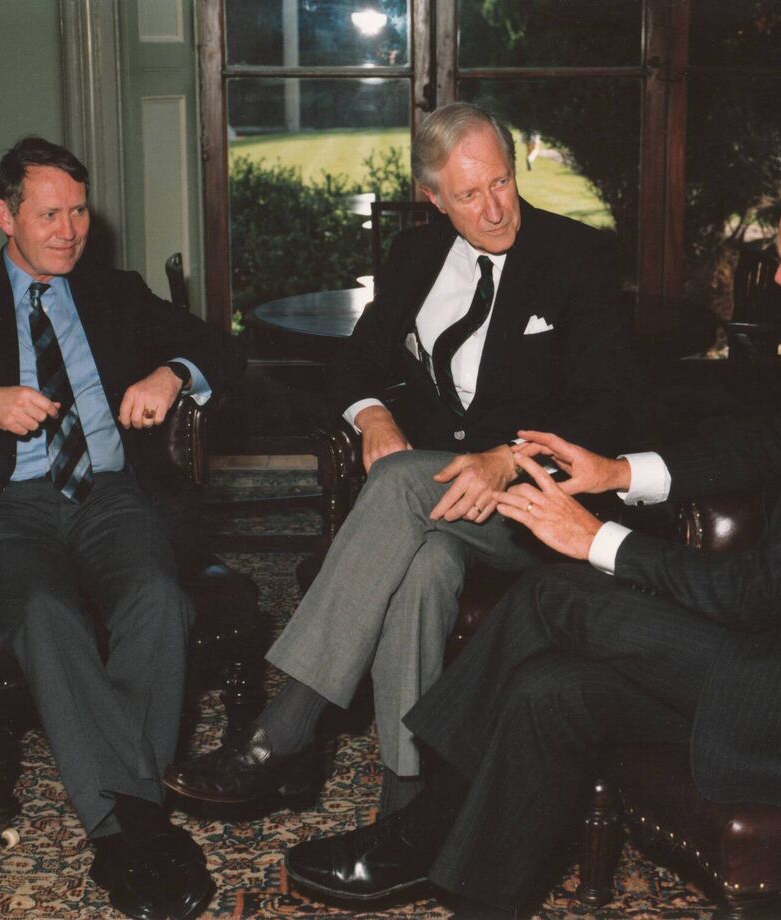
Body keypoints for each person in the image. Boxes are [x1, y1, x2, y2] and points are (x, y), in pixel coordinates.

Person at [277, 164, 781, 916]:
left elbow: (759, 592)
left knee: (556, 596)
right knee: (551, 692)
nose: (778, 277)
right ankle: (468, 886)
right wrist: (616, 472)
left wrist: (596, 537)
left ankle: (415, 833)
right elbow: (757, 445)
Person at [163, 102, 637, 817]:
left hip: (534, 507)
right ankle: (406, 803)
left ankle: (282, 732)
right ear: (434, 198)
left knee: (395, 484)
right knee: (424, 569)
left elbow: (611, 407)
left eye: (501, 182)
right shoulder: (416, 256)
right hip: (438, 509)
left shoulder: (577, 257)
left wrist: (507, 460)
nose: (495, 209)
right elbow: (354, 363)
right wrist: (374, 415)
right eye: (469, 195)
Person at [0, 137, 241, 920]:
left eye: (79, 212)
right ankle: (134, 829)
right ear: (4, 215)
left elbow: (219, 347)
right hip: (4, 507)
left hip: (108, 495)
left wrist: (172, 374)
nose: (69, 231)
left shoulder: (113, 291)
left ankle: (126, 827)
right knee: (46, 613)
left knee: (158, 598)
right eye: (49, 214)